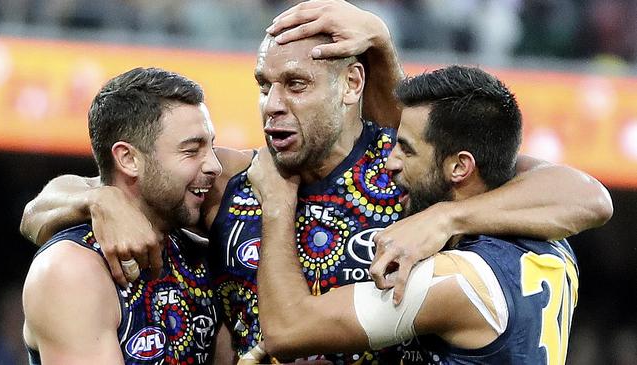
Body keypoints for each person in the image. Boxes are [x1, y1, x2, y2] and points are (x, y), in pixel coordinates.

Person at [19, 1, 612, 363]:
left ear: (352, 84)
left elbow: (586, 195)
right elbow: (53, 204)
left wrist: (443, 219)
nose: (272, 105)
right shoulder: (232, 177)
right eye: (263, 85)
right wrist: (99, 199)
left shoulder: (412, 171)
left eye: (296, 86)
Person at [248, 65, 581, 365]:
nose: (390, 162)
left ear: (459, 167)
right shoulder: (554, 240)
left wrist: (277, 202)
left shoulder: (452, 281)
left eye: (405, 148)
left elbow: (287, 330)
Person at [22, 67, 224, 364]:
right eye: (191, 150)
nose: (215, 166)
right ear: (128, 159)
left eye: (212, 146)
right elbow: (34, 212)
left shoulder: (193, 250)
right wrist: (100, 199)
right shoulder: (72, 270)